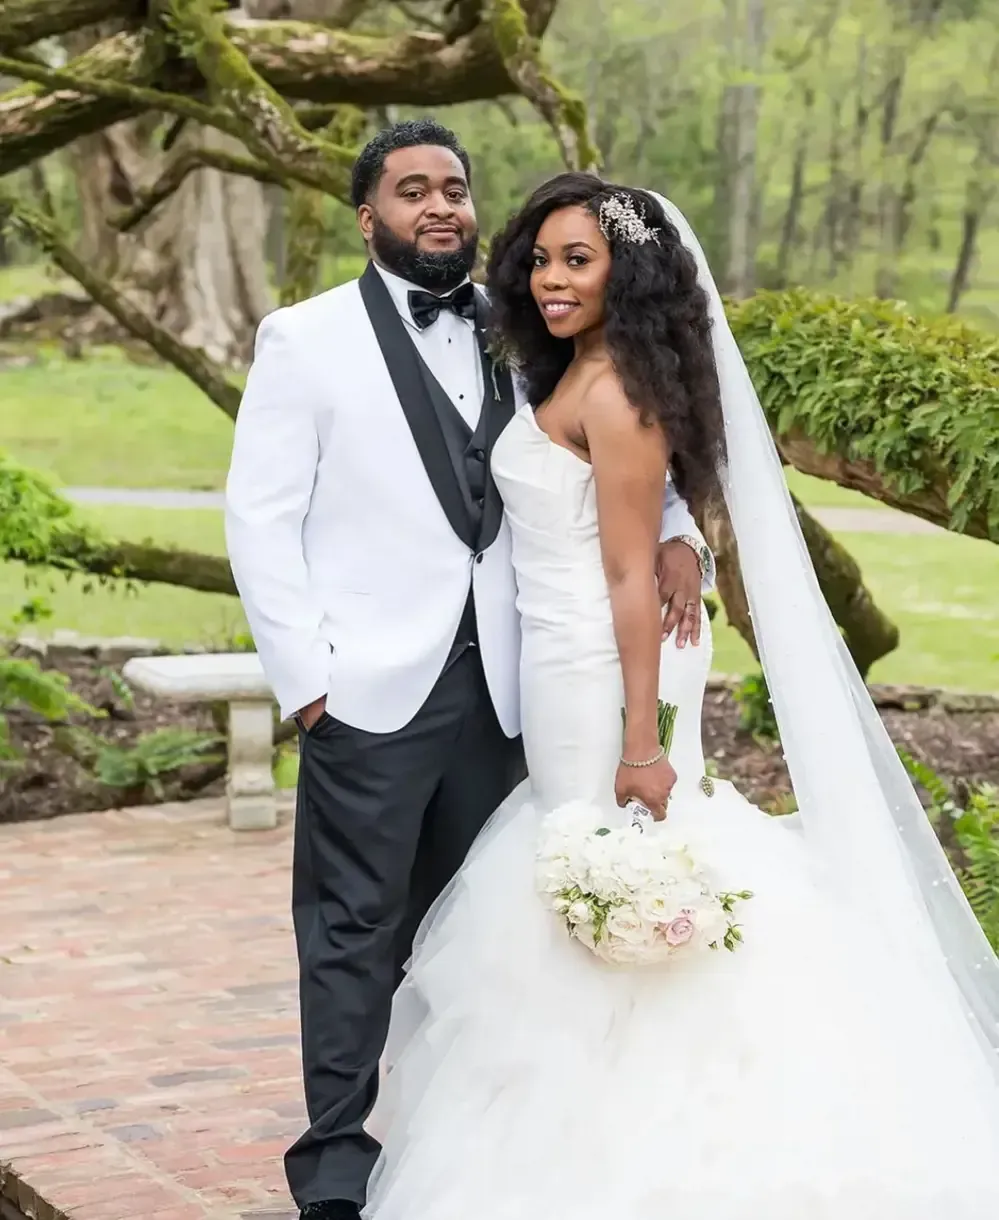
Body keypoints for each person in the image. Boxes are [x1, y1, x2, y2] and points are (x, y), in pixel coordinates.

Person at [361, 174, 999, 1219]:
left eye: (580, 259)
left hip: (604, 668)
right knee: (588, 862)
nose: (551, 277)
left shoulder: (612, 393)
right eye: (543, 256)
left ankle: (615, 1147)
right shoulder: (578, 372)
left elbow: (622, 580)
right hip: (569, 656)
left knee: (609, 851)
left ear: (631, 274)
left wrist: (646, 737)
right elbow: (647, 509)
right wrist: (682, 533)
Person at [224, 122, 711, 1220]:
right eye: (412, 190)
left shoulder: (523, 322)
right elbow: (260, 519)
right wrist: (310, 683)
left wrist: (687, 535)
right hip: (368, 689)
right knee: (354, 929)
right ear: (369, 216)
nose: (440, 205)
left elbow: (630, 443)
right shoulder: (303, 340)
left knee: (486, 927)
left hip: (514, 683)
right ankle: (336, 1163)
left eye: (455, 187)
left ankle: (466, 1137)